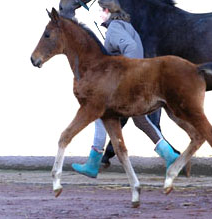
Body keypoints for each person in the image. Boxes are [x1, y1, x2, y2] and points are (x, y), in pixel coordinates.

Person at [71, 0, 180, 178]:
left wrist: (126, 75)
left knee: (99, 115)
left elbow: (132, 48)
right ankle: (169, 155)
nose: (99, 14)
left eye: (101, 10)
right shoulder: (124, 26)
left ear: (107, 10)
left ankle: (93, 162)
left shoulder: (115, 29)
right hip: (137, 82)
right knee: (142, 121)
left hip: (127, 85)